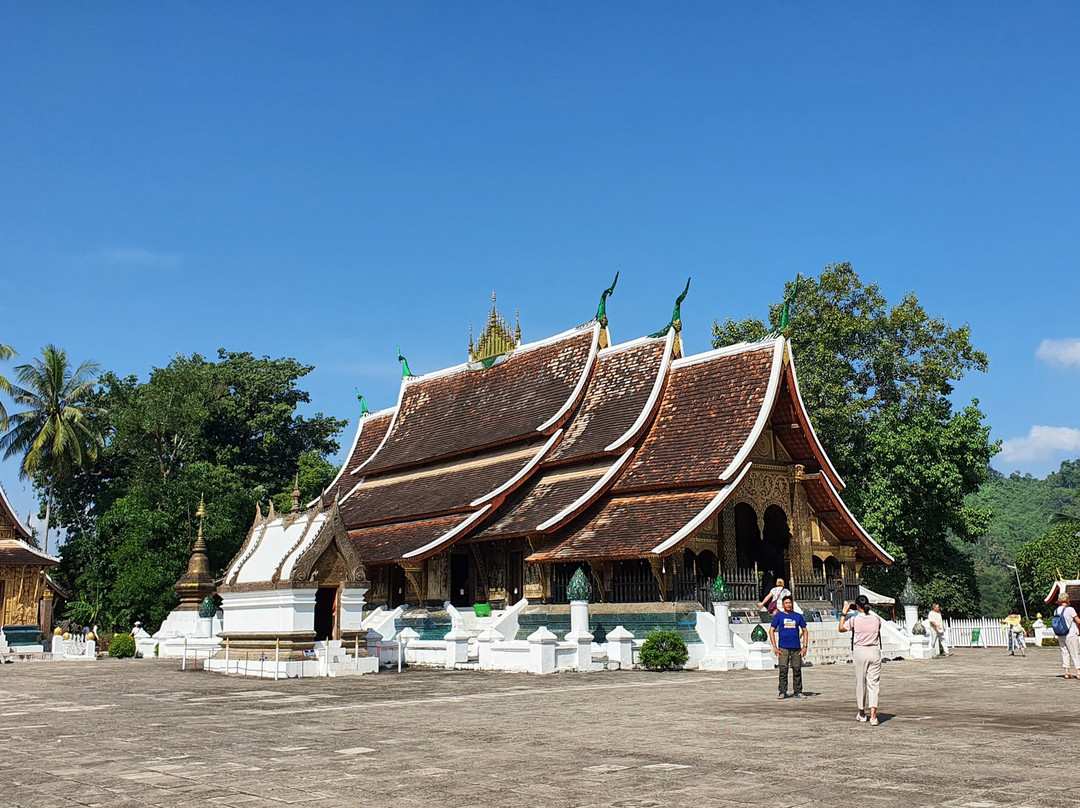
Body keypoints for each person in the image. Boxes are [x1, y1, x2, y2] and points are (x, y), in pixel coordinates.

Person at [838, 594, 882, 726]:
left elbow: (841, 629)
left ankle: (862, 713)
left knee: (860, 683)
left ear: (857, 607)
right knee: (873, 684)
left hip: (860, 650)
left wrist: (843, 613)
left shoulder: (855, 620)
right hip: (874, 650)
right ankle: (873, 716)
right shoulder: (876, 618)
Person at [769, 594, 808, 699]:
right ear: (783, 605)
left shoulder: (798, 616)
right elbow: (771, 630)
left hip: (796, 647)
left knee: (797, 669)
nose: (788, 605)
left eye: (790, 603)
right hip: (783, 647)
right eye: (786, 603)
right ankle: (782, 691)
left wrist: (805, 646)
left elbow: (805, 631)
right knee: (783, 669)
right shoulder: (779, 616)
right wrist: (774, 646)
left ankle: (798, 691)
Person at [1053, 593, 1080, 679]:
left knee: (1064, 652)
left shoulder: (1056, 610)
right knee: (1075, 653)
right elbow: (1078, 621)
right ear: (1067, 600)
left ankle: (1067, 672)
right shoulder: (1070, 609)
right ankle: (1078, 672)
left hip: (1061, 634)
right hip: (1070, 634)